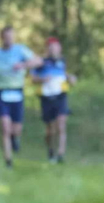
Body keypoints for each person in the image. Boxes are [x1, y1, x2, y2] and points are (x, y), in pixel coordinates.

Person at [0, 25, 43, 168]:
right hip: (2, 92)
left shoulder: (21, 50)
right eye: (6, 37)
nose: (9, 40)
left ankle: (15, 138)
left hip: (17, 92)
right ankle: (8, 160)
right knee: (5, 127)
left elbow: (38, 61)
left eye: (11, 37)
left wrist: (23, 65)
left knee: (16, 129)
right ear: (2, 38)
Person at [33, 36, 77, 164]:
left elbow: (64, 74)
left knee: (61, 125)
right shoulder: (41, 62)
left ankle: (61, 154)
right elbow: (33, 79)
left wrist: (71, 78)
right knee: (50, 130)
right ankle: (51, 150)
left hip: (61, 96)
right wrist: (42, 79)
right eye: (50, 47)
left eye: (55, 46)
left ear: (59, 48)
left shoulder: (62, 61)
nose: (53, 49)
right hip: (46, 97)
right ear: (47, 48)